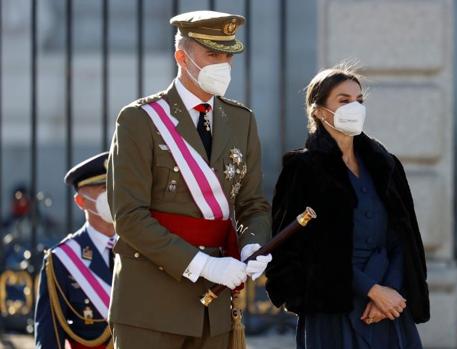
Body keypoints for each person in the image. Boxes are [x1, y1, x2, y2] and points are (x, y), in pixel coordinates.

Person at [106, 10, 271, 349]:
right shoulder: (140, 120)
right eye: (213, 54)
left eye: (228, 55)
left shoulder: (241, 121)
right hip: (152, 303)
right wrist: (203, 264)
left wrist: (253, 243)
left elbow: (252, 202)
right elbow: (129, 217)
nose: (223, 63)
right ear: (182, 57)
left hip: (215, 307)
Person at [265, 64, 430, 348]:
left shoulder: (385, 164)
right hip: (332, 307)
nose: (355, 107)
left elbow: (404, 236)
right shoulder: (302, 169)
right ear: (318, 111)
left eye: (359, 101)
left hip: (388, 308)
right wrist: (371, 289)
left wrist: (387, 292)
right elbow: (298, 247)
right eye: (344, 100)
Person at [34, 152, 117, 349]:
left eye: (116, 186)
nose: (114, 194)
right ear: (81, 201)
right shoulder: (62, 260)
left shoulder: (140, 247)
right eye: (105, 188)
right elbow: (49, 335)